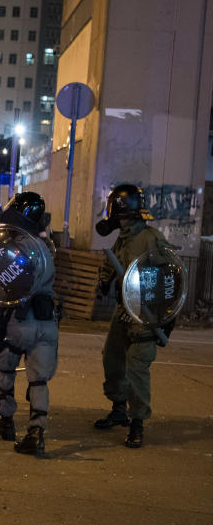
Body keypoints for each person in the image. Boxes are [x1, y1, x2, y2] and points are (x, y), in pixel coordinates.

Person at [93, 184, 172, 448]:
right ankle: (119, 409)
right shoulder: (124, 237)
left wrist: (165, 318)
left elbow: (170, 278)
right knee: (112, 357)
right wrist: (105, 280)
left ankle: (137, 422)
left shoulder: (151, 238)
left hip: (145, 315)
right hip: (124, 310)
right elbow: (112, 260)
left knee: (137, 368)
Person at [0, 192, 58, 455]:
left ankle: (6, 422)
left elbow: (3, 285)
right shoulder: (47, 246)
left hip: (21, 319)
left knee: (5, 368)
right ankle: (36, 432)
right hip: (47, 322)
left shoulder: (16, 247)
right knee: (39, 380)